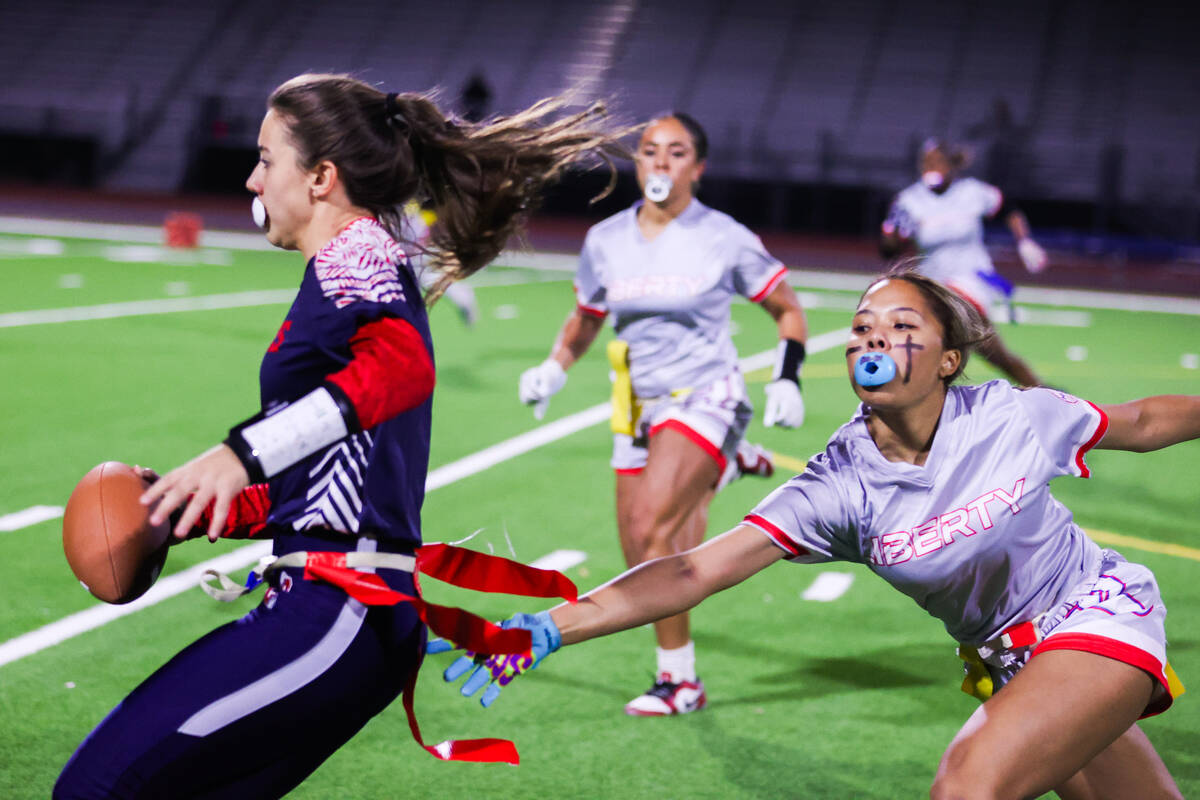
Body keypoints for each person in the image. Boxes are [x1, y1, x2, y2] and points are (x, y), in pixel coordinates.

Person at [53, 72, 624, 799]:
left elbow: (403, 369)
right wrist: (203, 505)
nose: (253, 177)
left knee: (95, 789)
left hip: (337, 609)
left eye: (266, 158)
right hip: (341, 609)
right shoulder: (352, 261)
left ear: (321, 177)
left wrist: (240, 454)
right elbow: (333, 471)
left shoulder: (357, 255)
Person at [444, 267, 1195, 799]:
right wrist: (549, 625)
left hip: (1096, 613)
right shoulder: (839, 484)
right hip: (1009, 660)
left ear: (948, 359)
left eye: (904, 326)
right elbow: (689, 574)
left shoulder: (1011, 415)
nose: (876, 337)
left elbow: (1143, 422)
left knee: (969, 787)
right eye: (863, 326)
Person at [515, 112, 810, 716]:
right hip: (637, 404)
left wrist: (788, 375)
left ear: (697, 167)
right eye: (650, 151)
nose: (660, 163)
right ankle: (681, 677)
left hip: (707, 393)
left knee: (654, 522)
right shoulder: (606, 240)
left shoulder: (723, 235)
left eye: (676, 153)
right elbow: (587, 317)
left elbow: (787, 308)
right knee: (645, 550)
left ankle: (717, 457)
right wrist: (555, 366)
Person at [881, 138, 1049, 387]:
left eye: (937, 161)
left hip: (972, 280)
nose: (931, 167)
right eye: (926, 162)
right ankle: (1042, 391)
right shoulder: (908, 201)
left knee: (946, 346)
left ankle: (1045, 398)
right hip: (933, 286)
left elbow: (1009, 209)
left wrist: (1024, 242)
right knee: (992, 353)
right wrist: (894, 231)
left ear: (951, 165)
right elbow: (887, 250)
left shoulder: (972, 192)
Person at [403, 200, 480, 326]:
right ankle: (462, 296)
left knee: (428, 283)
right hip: (412, 256)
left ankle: (462, 297)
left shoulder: (411, 218)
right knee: (426, 283)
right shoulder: (413, 216)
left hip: (413, 258)